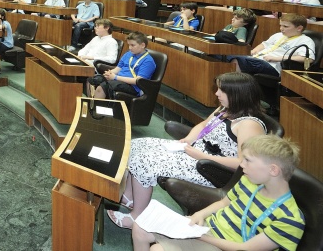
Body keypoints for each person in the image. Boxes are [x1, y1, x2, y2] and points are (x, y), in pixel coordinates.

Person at [108, 72, 267, 229]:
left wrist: (201, 156)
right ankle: (130, 197)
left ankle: (137, 216)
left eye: (222, 90)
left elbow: (242, 162)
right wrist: (190, 138)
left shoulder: (249, 125)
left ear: (237, 95)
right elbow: (203, 125)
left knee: (143, 161)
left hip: (210, 169)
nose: (216, 93)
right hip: (194, 152)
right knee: (135, 145)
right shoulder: (226, 109)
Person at [131, 134, 304, 251]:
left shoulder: (289, 219)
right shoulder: (250, 181)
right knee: (140, 227)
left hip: (227, 246)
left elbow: (244, 248)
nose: (241, 165)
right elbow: (224, 202)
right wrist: (199, 215)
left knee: (157, 249)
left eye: (248, 161)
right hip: (208, 229)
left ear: (273, 170)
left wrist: (200, 237)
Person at [230, 13, 315, 77]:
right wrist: (254, 51)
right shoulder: (278, 35)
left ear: (299, 28)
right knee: (225, 56)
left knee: (237, 60)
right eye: (280, 25)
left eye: (285, 26)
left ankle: (234, 91)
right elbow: (264, 44)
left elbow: (308, 59)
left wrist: (277, 58)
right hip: (258, 58)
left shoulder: (305, 41)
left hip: (274, 65)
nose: (281, 28)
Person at [86, 31, 155, 100]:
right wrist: (109, 73)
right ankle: (91, 103)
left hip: (132, 86)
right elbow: (117, 69)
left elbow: (137, 81)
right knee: (92, 80)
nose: (130, 48)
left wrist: (115, 77)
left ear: (142, 45)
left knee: (103, 87)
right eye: (129, 45)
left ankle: (95, 108)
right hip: (119, 79)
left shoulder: (148, 61)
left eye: (132, 45)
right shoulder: (128, 54)